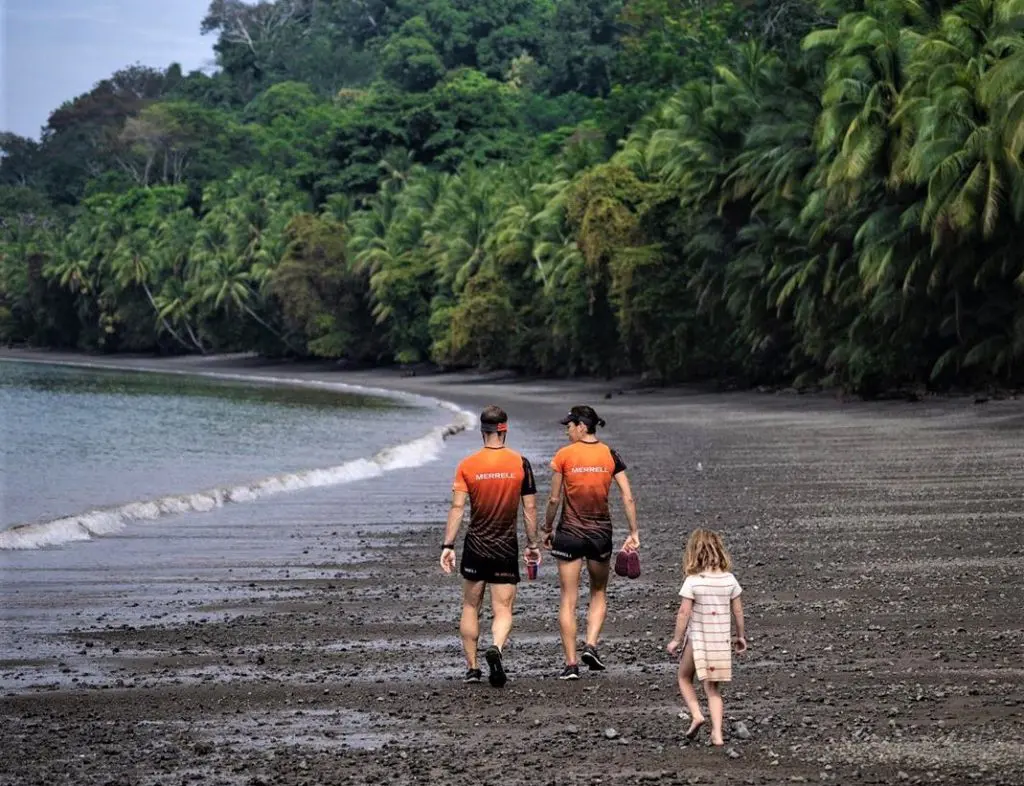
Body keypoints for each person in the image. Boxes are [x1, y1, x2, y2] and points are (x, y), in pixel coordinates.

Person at [441, 405, 539, 687]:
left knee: (471, 606)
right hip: (505, 547)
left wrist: (448, 545)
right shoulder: (520, 463)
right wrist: (533, 544)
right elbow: (529, 509)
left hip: (475, 546)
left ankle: (472, 669)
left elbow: (457, 508)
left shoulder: (467, 465)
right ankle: (495, 646)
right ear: (504, 429)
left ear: (482, 431)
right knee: (503, 609)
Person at [543, 405, 639, 680]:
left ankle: (571, 664)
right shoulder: (610, 454)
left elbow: (553, 499)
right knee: (598, 591)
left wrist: (546, 528)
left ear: (582, 426)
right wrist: (634, 532)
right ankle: (592, 645)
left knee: (568, 598)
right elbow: (627, 496)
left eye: (570, 425)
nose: (567, 430)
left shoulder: (564, 455)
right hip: (600, 535)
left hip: (569, 535)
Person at [666, 529, 747, 747]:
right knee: (713, 689)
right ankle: (718, 734)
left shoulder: (693, 581)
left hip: (698, 639)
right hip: (721, 641)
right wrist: (740, 636)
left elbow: (684, 613)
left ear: (694, 553)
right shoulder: (730, 580)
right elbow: (738, 611)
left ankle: (696, 714)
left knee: (684, 677)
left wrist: (676, 639)